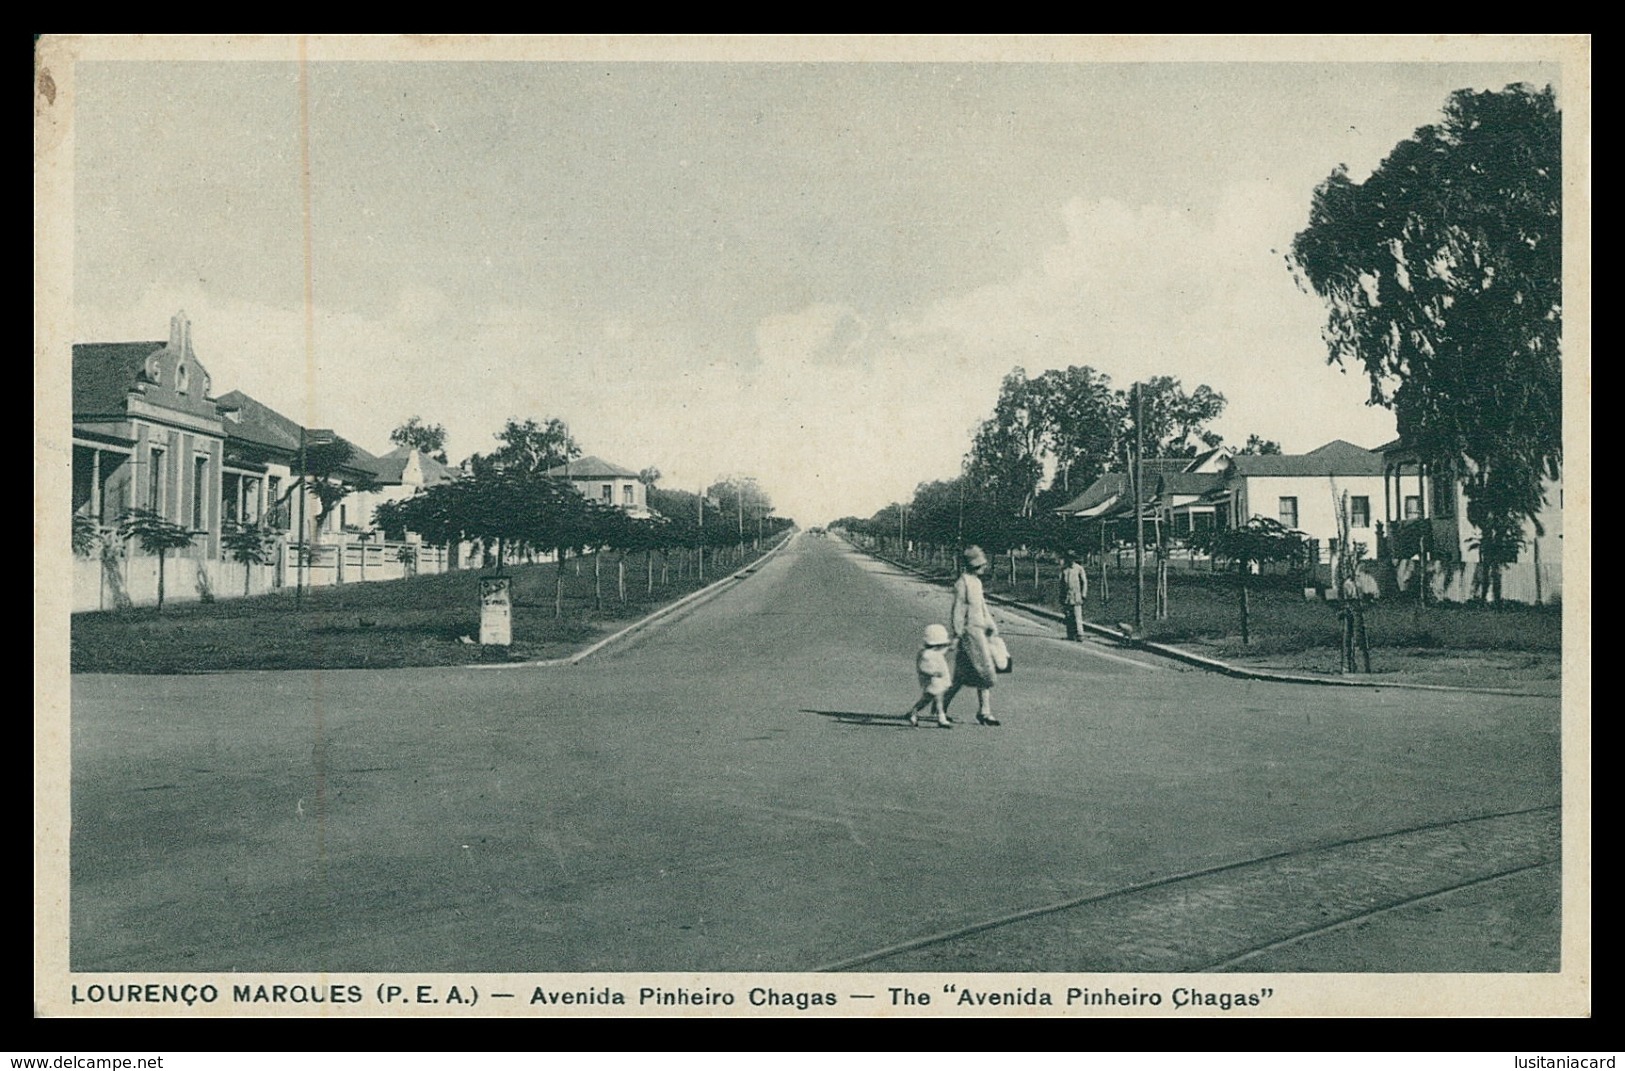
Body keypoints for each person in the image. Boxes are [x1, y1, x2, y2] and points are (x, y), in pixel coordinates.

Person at [943, 545, 1001, 726]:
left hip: (979, 632)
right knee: (984, 671)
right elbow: (958, 610)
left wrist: (990, 624)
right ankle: (984, 712)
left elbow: (982, 607)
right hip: (969, 635)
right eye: (981, 564)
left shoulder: (976, 582)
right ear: (975, 565)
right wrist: (957, 633)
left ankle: (942, 707)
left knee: (962, 677)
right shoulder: (963, 583)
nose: (984, 567)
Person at [904, 623, 954, 728]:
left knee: (927, 699)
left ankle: (914, 713)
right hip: (932, 680)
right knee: (936, 698)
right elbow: (922, 668)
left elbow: (946, 650)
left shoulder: (934, 653)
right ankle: (941, 718)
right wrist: (933, 673)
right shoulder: (927, 655)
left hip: (937, 680)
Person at [1059, 551, 1088, 641]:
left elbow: (1084, 582)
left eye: (1072, 558)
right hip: (1067, 596)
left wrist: (1083, 594)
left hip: (1076, 595)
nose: (1070, 560)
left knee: (1077, 616)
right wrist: (1061, 595)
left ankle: (1080, 634)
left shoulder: (1079, 569)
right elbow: (1061, 584)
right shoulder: (1064, 570)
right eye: (1069, 558)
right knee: (1068, 616)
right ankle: (1070, 634)